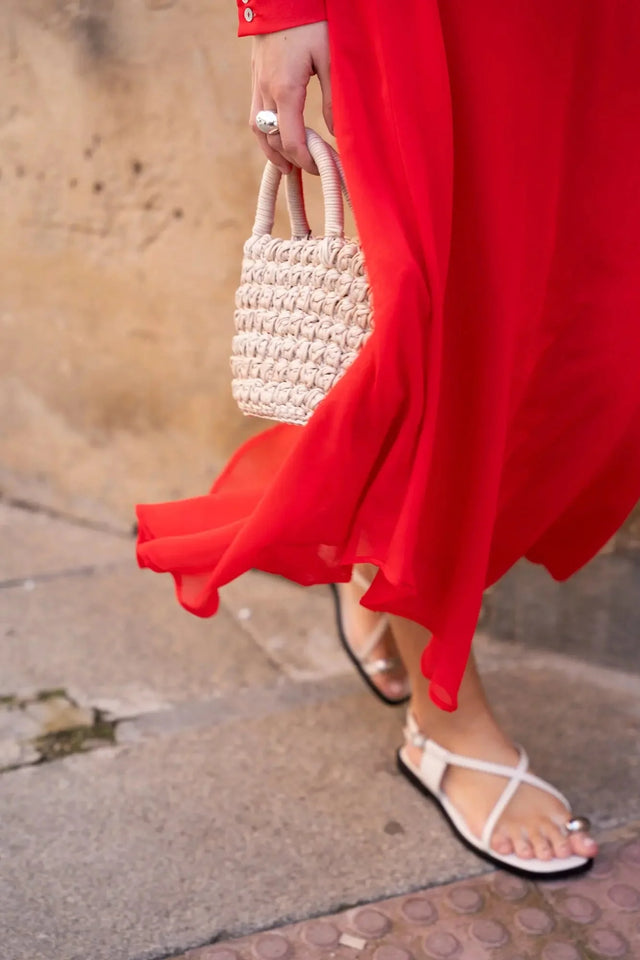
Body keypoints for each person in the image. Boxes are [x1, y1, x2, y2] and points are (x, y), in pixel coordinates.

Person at [137, 0, 640, 876]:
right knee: (438, 337)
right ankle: (444, 720)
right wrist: (278, 12)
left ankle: (368, 537)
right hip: (423, 23)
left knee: (601, 343)